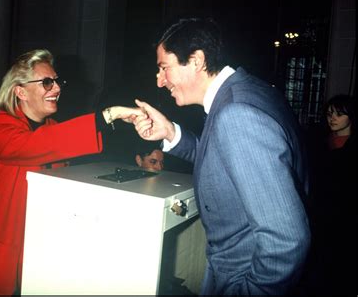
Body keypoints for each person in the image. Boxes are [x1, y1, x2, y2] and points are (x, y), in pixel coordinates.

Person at [132, 18, 311, 295]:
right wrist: (170, 133)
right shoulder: (249, 91)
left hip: (241, 277)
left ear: (196, 61)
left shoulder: (237, 114)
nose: (159, 81)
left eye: (164, 68)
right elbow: (225, 158)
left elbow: (286, 241)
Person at [0, 49, 144, 295]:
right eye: (47, 82)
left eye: (57, 82)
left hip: (38, 245)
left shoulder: (53, 128)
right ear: (20, 91)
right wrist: (108, 115)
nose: (56, 88)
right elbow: (34, 146)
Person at [307, 94, 356, 294]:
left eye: (339, 114)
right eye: (329, 114)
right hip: (320, 213)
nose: (332, 118)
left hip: (346, 218)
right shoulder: (319, 142)